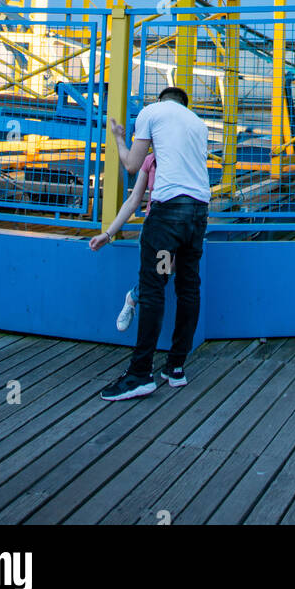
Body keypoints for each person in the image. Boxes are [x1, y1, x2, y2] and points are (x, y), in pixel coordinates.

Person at [100, 85, 211, 401]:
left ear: (161, 100)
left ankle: (140, 374)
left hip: (168, 217)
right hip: (197, 213)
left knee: (153, 288)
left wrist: (120, 138)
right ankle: (175, 367)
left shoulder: (152, 112)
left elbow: (132, 165)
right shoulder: (198, 124)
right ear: (184, 103)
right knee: (188, 287)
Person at [88, 151, 175, 331]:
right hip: (156, 231)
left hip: (177, 228)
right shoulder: (150, 161)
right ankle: (134, 300)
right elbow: (133, 200)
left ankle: (133, 297)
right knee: (159, 276)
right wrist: (108, 234)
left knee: (165, 273)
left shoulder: (182, 158)